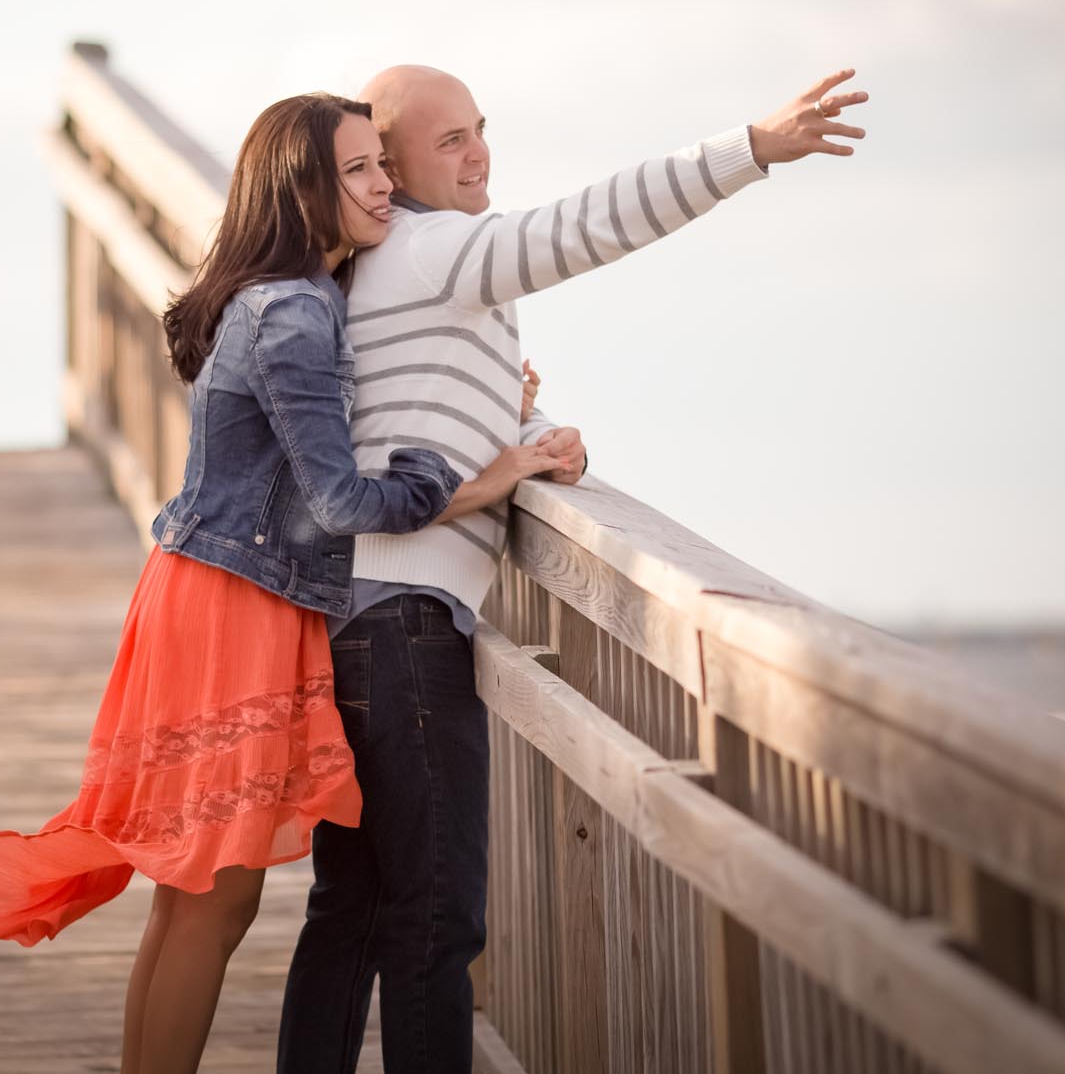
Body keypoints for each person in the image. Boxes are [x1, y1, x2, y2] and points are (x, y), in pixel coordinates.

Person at [0, 91, 561, 1074]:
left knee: (193, 895)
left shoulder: (293, 301)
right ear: (302, 188)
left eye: (380, 162)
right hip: (232, 604)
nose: (383, 184)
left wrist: (500, 410)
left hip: (208, 591)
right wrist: (480, 479)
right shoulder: (293, 311)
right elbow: (338, 499)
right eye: (359, 168)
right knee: (216, 893)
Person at [278, 66, 870, 1073]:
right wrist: (747, 150)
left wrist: (535, 428)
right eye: (448, 144)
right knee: (432, 922)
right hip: (409, 629)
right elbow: (583, 224)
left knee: (358, 908)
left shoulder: (381, 273)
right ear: (392, 170)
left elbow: (419, 408)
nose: (478, 157)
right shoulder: (434, 248)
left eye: (480, 131)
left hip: (360, 622)